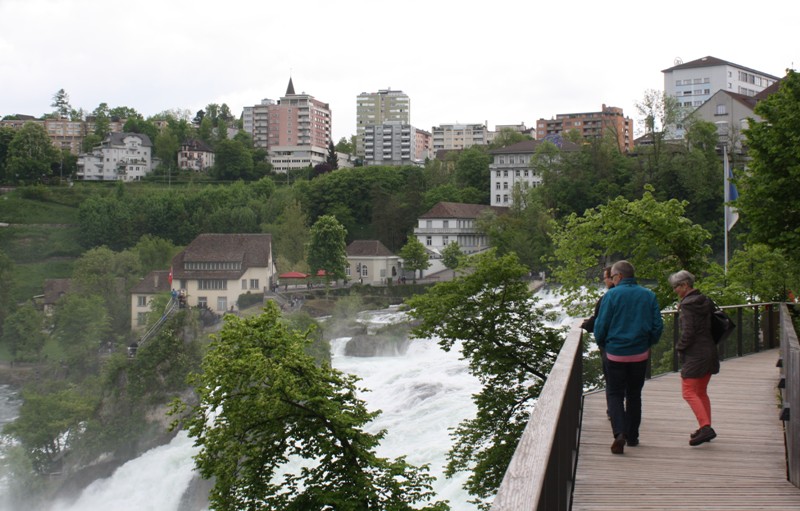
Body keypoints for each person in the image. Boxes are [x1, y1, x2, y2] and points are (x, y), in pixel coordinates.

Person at [594, 260, 663, 454]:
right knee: (634, 395)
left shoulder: (612, 296)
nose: (613, 280)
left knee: (615, 393)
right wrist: (648, 343)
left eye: (613, 277)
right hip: (639, 354)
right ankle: (633, 436)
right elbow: (657, 325)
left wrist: (603, 343)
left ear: (619, 277)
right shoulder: (648, 295)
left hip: (615, 353)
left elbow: (601, 325)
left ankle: (619, 434)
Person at [669, 269, 719, 446]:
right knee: (700, 392)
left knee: (688, 392)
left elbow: (688, 332)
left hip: (696, 353)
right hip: (709, 350)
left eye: (676, 286)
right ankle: (705, 426)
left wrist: (679, 347)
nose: (674, 290)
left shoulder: (688, 305)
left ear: (685, 285)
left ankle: (706, 428)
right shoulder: (704, 300)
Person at [580, 266, 615, 419]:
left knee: (612, 382)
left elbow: (599, 321)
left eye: (605, 277)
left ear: (614, 278)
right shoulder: (643, 294)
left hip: (611, 347)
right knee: (632, 390)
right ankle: (632, 432)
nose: (604, 280)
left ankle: (614, 414)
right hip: (637, 350)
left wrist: (586, 327)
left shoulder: (608, 298)